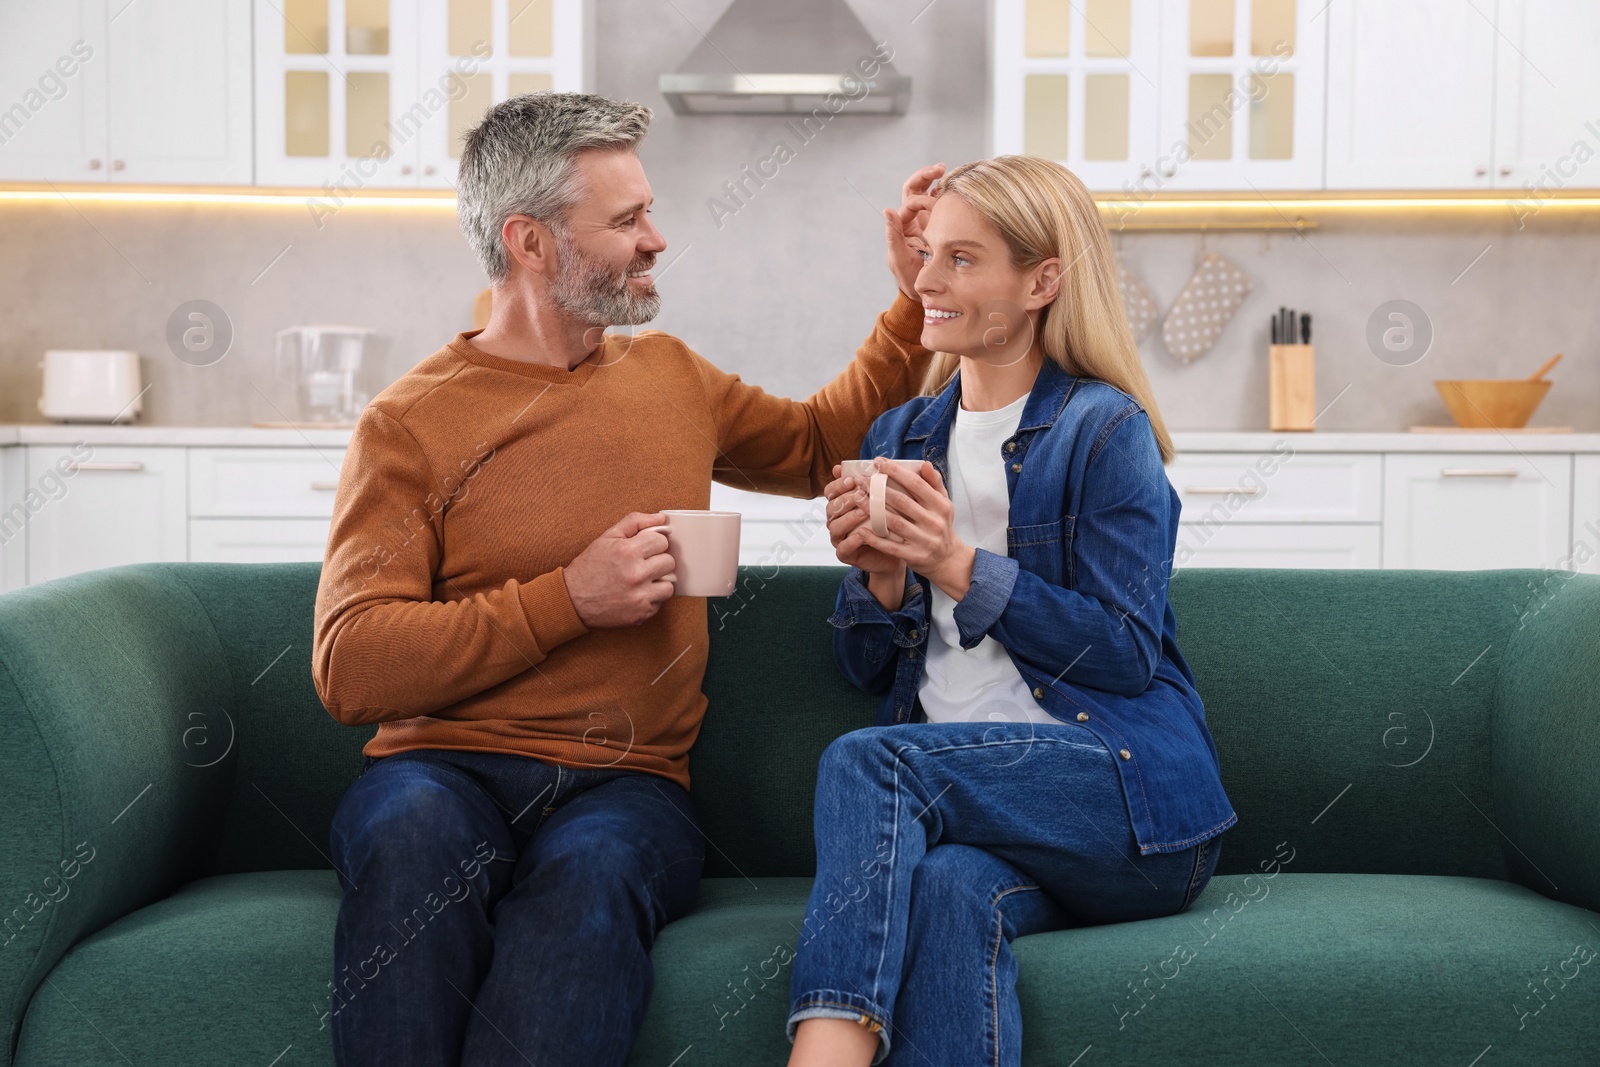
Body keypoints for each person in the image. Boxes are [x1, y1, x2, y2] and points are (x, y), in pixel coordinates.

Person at [311, 91, 942, 1067]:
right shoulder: (408, 421)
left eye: (647, 210)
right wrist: (570, 597)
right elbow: (351, 664)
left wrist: (909, 297)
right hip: (438, 768)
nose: (657, 238)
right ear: (530, 241)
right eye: (625, 220)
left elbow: (823, 440)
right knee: (409, 831)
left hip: (628, 784)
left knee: (596, 868)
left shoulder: (671, 377)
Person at [786, 155, 1238, 1067]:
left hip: (1122, 801)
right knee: (951, 892)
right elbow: (867, 667)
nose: (924, 283)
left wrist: (953, 561)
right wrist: (880, 580)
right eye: (927, 257)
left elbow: (1120, 653)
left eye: (961, 260)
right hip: (976, 815)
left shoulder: (1103, 431)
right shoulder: (902, 436)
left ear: (1042, 281)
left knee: (868, 764)